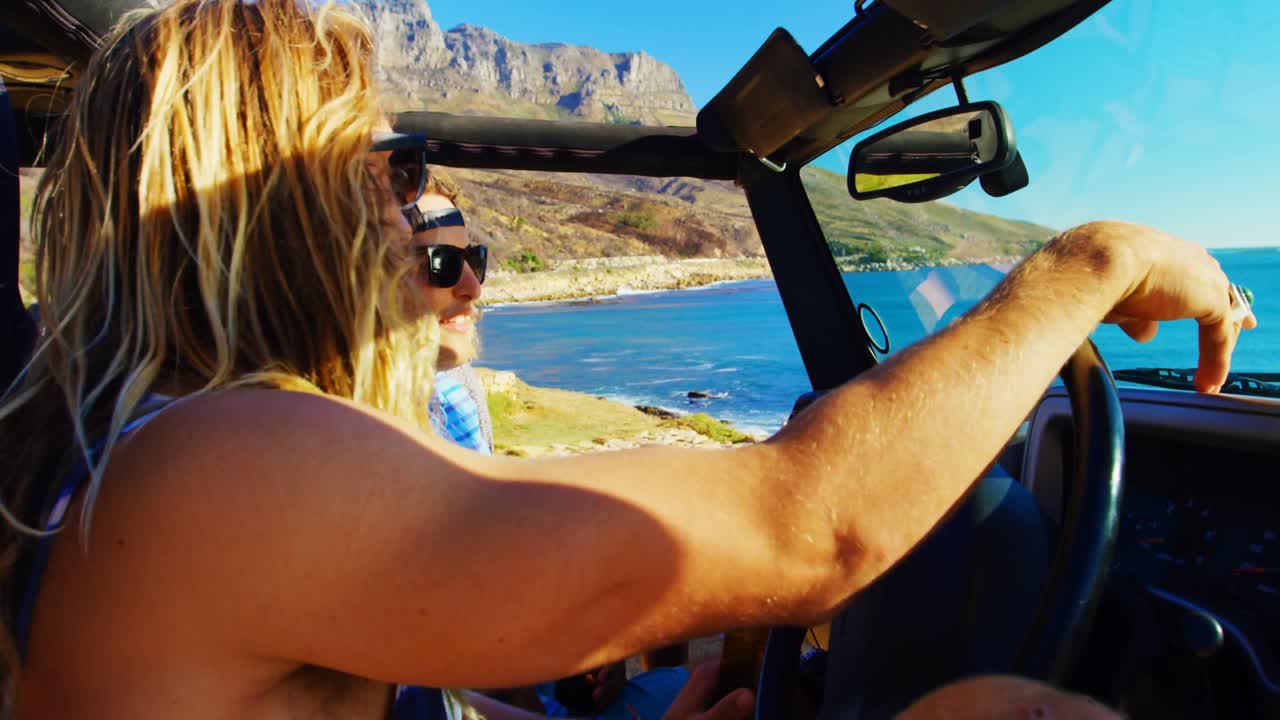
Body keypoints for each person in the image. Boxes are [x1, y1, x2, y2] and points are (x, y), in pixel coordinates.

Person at [0, 2, 1255, 719]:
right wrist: (1083, 266)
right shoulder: (221, 469)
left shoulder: (142, 457)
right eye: (392, 176)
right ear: (278, 211)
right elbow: (807, 526)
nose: (411, 213)